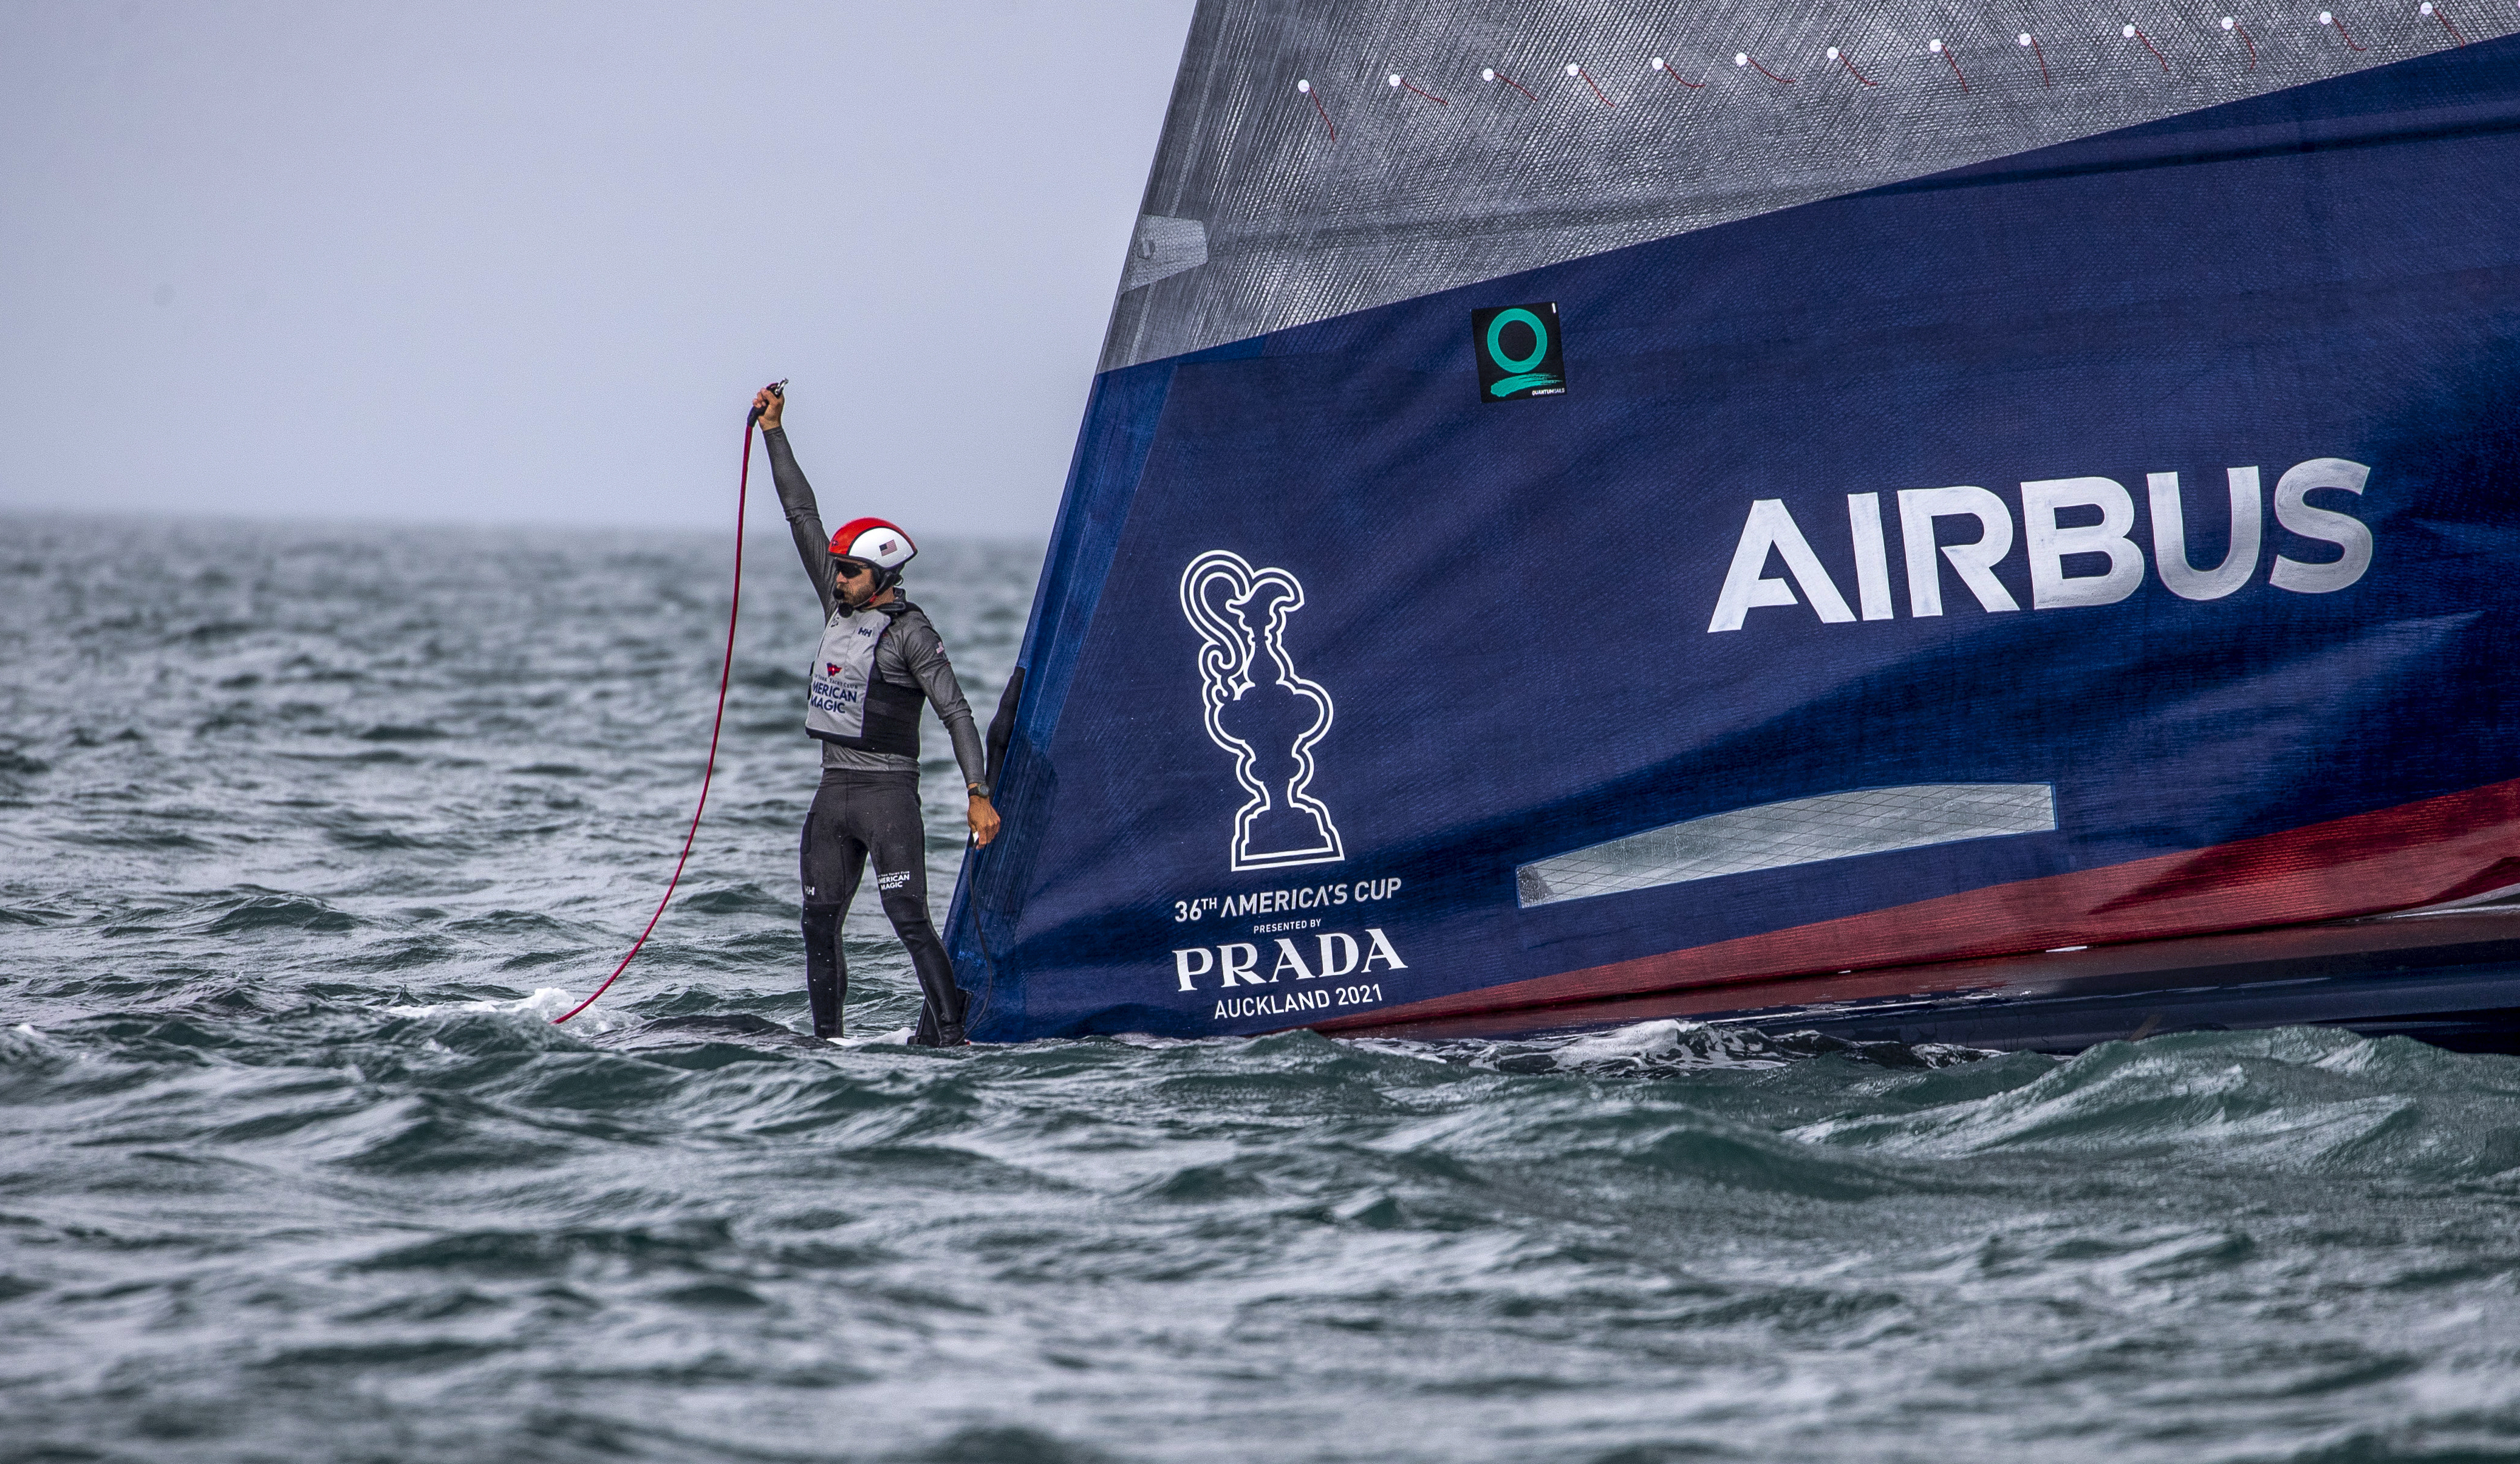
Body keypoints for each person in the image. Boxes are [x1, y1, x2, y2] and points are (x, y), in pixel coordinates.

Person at [755, 385, 999, 1046]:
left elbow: (955, 711)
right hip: (834, 791)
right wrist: (774, 432)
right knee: (818, 922)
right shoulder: (839, 607)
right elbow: (800, 512)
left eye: (852, 572)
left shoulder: (911, 632)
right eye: (837, 569)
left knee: (908, 918)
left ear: (884, 576)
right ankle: (827, 1043)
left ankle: (954, 1039)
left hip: (889, 793)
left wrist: (977, 795)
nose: (838, 579)